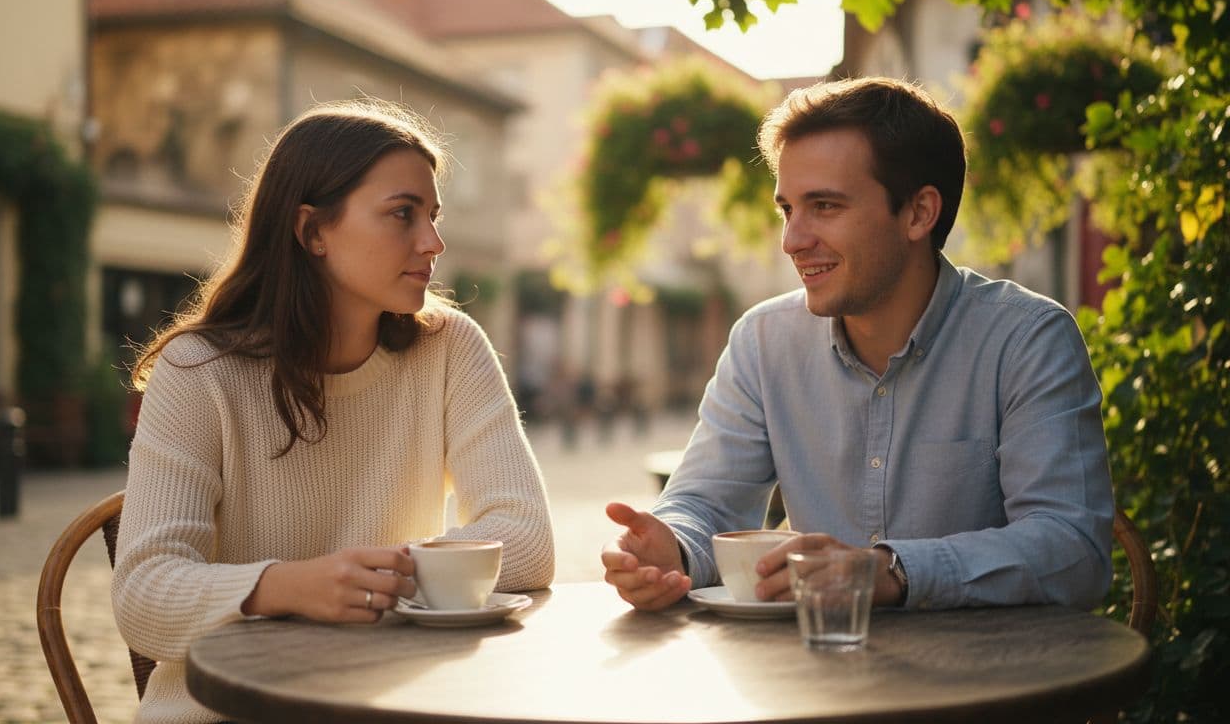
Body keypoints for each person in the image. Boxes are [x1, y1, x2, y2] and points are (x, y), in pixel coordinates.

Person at [112, 100, 555, 724]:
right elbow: (143, 595)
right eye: (403, 214)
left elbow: (528, 538)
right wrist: (291, 587)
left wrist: (380, 575)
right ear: (313, 231)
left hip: (392, 703)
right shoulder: (198, 372)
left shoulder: (450, 347)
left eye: (433, 215)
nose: (433, 241)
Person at [602, 77, 1113, 613]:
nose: (792, 240)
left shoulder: (1027, 340)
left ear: (919, 213)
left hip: (992, 684)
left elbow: (1072, 549)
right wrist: (672, 548)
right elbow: (705, 503)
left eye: (824, 206)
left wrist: (892, 571)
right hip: (820, 684)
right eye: (787, 209)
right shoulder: (763, 341)